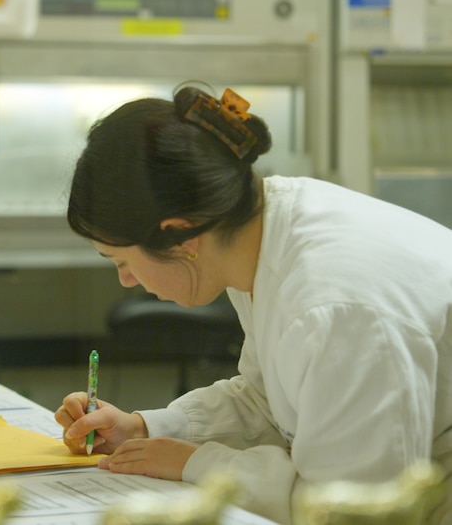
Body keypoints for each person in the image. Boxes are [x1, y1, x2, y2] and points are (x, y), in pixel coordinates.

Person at [54, 85, 452, 524]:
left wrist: (197, 462)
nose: (126, 280)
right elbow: (272, 401)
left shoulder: (332, 306)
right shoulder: (263, 232)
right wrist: (147, 430)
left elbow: (352, 507)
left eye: (123, 261)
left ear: (180, 235)